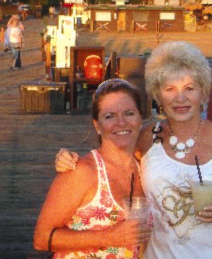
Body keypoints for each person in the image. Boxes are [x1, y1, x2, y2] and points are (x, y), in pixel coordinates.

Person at [55, 41, 212, 258]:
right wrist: (67, 158)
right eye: (170, 89)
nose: (180, 98)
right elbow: (109, 159)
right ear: (158, 95)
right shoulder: (146, 137)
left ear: (203, 92)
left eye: (189, 88)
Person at [34, 79, 152, 259]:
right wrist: (109, 237)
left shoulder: (145, 169)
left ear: (140, 119)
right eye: (109, 116)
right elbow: (42, 239)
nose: (121, 123)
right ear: (97, 125)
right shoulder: (82, 171)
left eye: (129, 113)